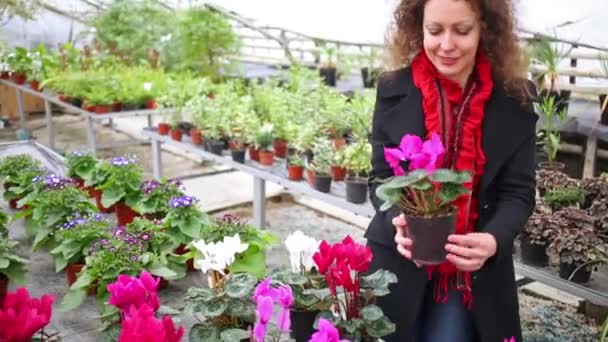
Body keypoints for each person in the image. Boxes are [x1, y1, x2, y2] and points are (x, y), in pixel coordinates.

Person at [365, 0, 538, 341]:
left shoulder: (514, 100)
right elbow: (381, 177)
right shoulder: (393, 89)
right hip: (398, 263)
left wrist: (493, 240)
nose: (446, 45)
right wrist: (397, 220)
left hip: (468, 276)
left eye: (461, 31)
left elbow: (518, 191)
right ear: (419, 28)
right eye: (434, 30)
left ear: (484, 28)